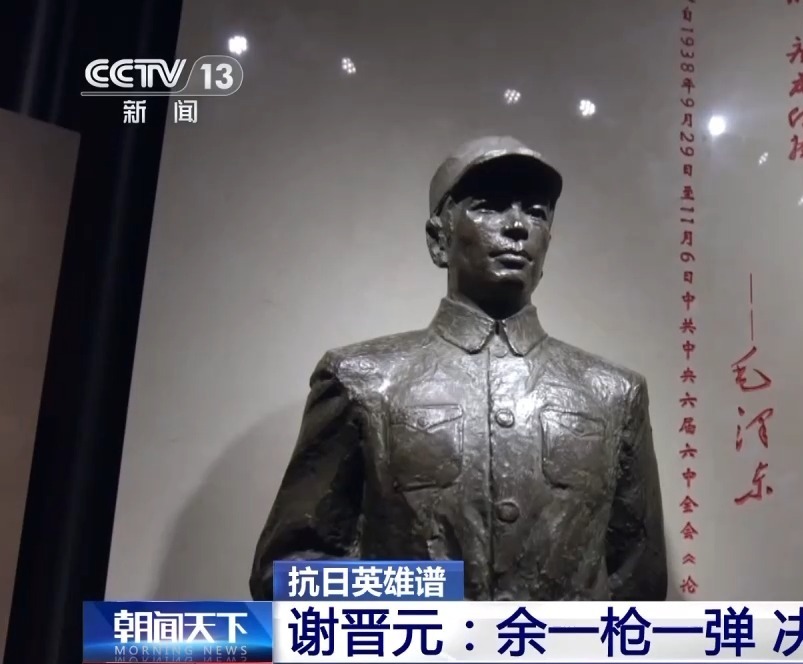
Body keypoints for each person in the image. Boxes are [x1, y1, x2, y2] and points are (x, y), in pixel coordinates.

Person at [249, 136, 668, 601]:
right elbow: (285, 571)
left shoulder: (613, 394)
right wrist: (431, 601)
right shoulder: (361, 380)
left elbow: (640, 587)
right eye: (489, 206)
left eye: (536, 212)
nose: (517, 226)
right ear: (438, 240)